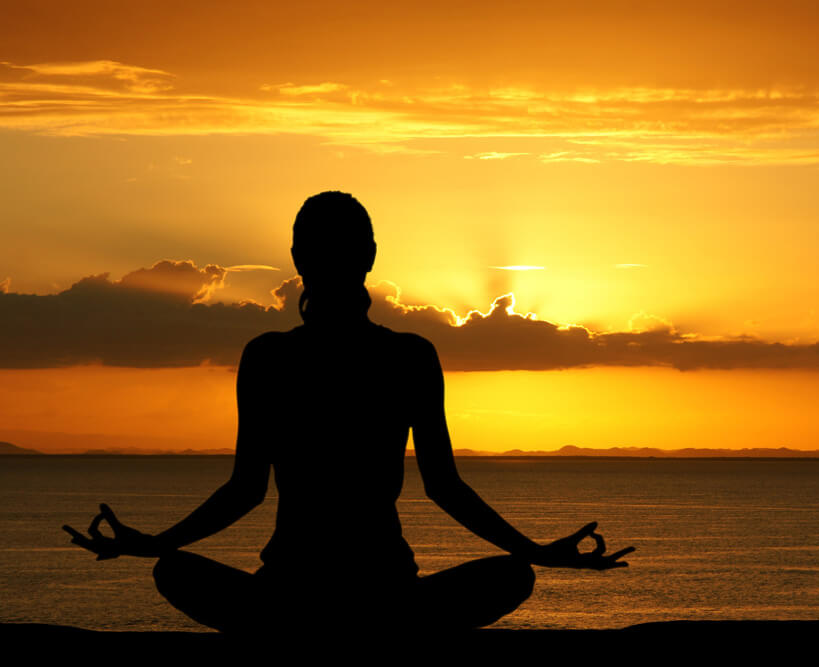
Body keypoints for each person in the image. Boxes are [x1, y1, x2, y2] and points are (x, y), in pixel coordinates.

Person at [63, 191, 634, 634]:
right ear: (370, 257)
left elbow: (245, 490)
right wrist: (534, 552)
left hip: (288, 598)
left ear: (296, 260)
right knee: (512, 574)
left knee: (174, 569)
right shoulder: (407, 356)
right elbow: (445, 487)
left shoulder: (270, 357)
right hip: (386, 598)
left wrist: (155, 542)